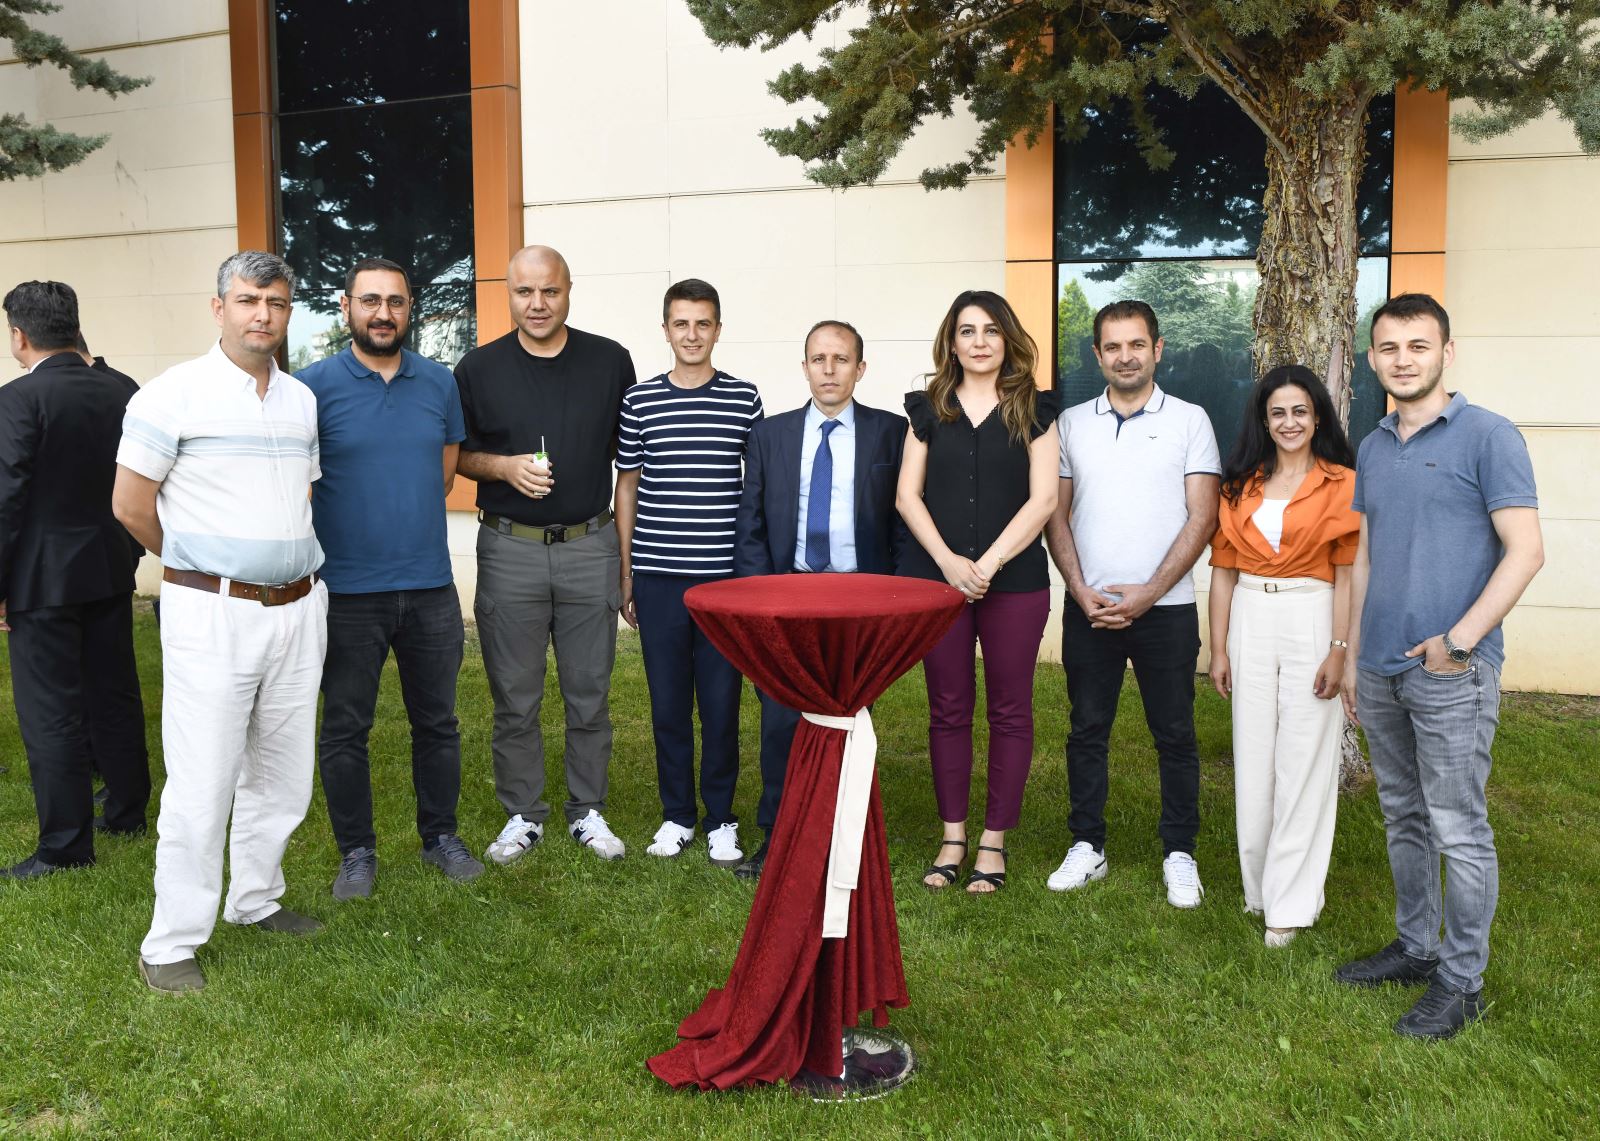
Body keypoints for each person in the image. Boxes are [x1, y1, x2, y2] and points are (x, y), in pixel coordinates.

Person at [114, 251, 328, 994]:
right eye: (247, 300)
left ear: (288, 311)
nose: (261, 314)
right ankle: (171, 941)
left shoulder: (301, 400)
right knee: (202, 779)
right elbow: (130, 505)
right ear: (219, 308)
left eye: (275, 301)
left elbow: (298, 497)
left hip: (299, 607)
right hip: (212, 611)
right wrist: (201, 566)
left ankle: (255, 898)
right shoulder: (171, 395)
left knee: (282, 772)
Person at [1335, 293, 1543, 1040]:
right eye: (1389, 347)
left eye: (1418, 345)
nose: (1404, 359)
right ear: (1373, 359)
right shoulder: (1372, 445)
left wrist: (1458, 642)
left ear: (1446, 352)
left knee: (1459, 825)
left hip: (1452, 669)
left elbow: (1526, 551)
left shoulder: (1489, 435)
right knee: (1404, 815)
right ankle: (1417, 946)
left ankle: (1462, 981)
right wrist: (1353, 652)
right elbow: (1366, 555)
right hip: (1381, 666)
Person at [297, 257, 479, 900]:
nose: (383, 313)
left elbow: (444, 473)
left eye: (395, 302)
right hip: (347, 591)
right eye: (370, 300)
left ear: (410, 310)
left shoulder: (439, 382)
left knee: (439, 723)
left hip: (429, 587)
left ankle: (440, 837)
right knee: (346, 728)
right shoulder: (309, 388)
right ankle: (357, 852)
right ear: (346, 306)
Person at [455, 245, 636, 863]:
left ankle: (588, 809)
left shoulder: (610, 361)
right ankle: (523, 813)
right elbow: (459, 454)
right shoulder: (478, 368)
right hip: (511, 548)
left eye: (550, 291)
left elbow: (630, 461)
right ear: (509, 293)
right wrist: (504, 467)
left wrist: (626, 557)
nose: (537, 304)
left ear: (568, 291)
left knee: (590, 691)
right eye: (525, 291)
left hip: (589, 544)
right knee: (515, 695)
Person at [1044, 299, 1220, 907]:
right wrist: (1078, 588)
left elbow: (1202, 517)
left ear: (1157, 349)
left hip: (1165, 610)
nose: (1126, 357)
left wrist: (1150, 592)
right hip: (1089, 606)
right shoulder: (1071, 423)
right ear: (1097, 354)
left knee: (1175, 734)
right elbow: (1055, 514)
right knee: (1086, 730)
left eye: (1136, 344)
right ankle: (1087, 845)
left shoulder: (1190, 420)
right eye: (1113, 347)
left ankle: (1180, 852)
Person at [731, 319, 908, 879]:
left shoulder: (891, 433)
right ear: (804, 367)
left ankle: (846, 839)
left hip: (860, 596)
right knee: (781, 719)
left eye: (841, 359)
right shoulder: (770, 436)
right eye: (818, 359)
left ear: (861, 368)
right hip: (791, 594)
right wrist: (762, 603)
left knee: (851, 718)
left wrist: (894, 599)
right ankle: (778, 837)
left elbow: (903, 522)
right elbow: (751, 526)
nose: (829, 370)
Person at [897, 290, 1060, 894]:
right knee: (948, 708)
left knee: (1010, 710)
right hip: (940, 584)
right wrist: (948, 563)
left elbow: (1044, 499)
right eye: (967, 331)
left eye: (991, 330)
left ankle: (993, 841)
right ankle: (953, 837)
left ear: (1008, 338)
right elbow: (906, 495)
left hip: (1014, 582)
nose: (980, 341)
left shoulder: (1035, 409)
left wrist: (986, 564)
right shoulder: (927, 408)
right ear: (952, 342)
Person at [0, 281, 149, 879]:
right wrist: (129, 552)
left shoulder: (18, 400)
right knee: (114, 695)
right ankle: (127, 810)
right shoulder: (125, 390)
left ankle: (64, 847)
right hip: (111, 566)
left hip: (41, 580)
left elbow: (6, 499)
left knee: (51, 713)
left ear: (20, 336)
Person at [1207, 365, 1358, 946]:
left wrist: (1339, 649)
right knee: (1253, 756)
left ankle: (1291, 904)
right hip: (1250, 614)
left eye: (1300, 411)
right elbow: (1223, 571)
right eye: (1278, 413)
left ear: (1317, 417)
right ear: (1264, 421)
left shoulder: (1341, 482)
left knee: (1304, 759)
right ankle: (1260, 890)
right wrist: (1219, 647)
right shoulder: (1239, 485)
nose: (1289, 422)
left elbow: (1347, 573)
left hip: (1312, 615)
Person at [614, 279, 761, 868]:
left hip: (723, 583)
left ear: (718, 330)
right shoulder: (640, 400)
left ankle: (721, 817)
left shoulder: (744, 398)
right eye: (682, 323)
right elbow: (627, 486)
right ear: (666, 329)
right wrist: (626, 571)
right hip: (658, 579)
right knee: (668, 705)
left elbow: (758, 486)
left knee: (722, 705)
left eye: (703, 323)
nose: (692, 335)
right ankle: (677, 814)